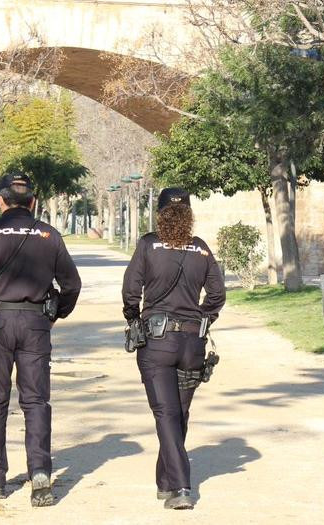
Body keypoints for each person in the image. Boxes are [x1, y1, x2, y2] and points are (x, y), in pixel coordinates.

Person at [0, 170, 82, 507]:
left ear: (0, 200)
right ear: (34, 202)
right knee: (36, 400)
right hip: (35, 324)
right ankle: (39, 469)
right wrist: (56, 313)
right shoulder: (49, 235)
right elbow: (72, 285)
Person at [121, 188, 226, 510]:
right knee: (178, 413)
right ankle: (165, 481)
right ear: (190, 214)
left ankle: (181, 487)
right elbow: (217, 294)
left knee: (166, 413)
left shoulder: (148, 244)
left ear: (160, 213)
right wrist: (203, 318)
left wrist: (134, 318)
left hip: (158, 340)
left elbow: (130, 291)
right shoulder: (201, 249)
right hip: (193, 342)